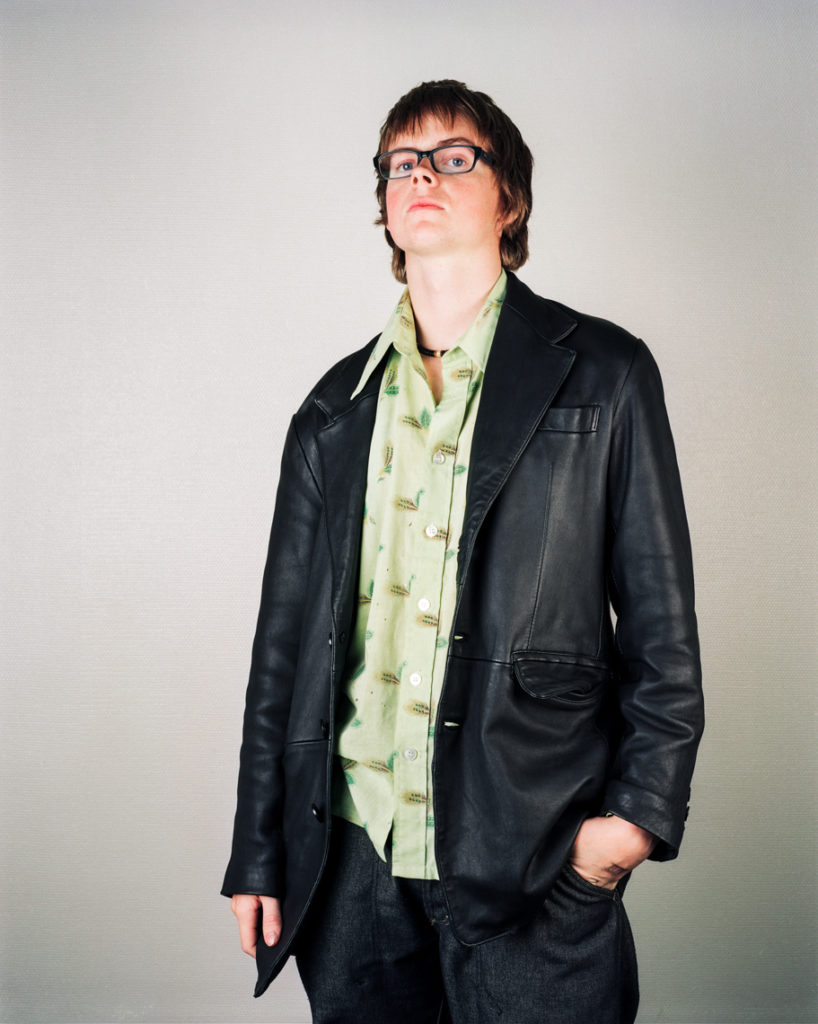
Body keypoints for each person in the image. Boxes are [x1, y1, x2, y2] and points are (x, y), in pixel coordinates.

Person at [222, 79, 704, 1024]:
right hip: (353, 866)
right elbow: (281, 655)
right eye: (402, 162)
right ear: (385, 205)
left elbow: (662, 625)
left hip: (535, 847)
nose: (422, 175)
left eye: (454, 157)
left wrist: (631, 824)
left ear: (509, 198)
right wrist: (258, 851)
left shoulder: (604, 375)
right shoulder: (332, 413)